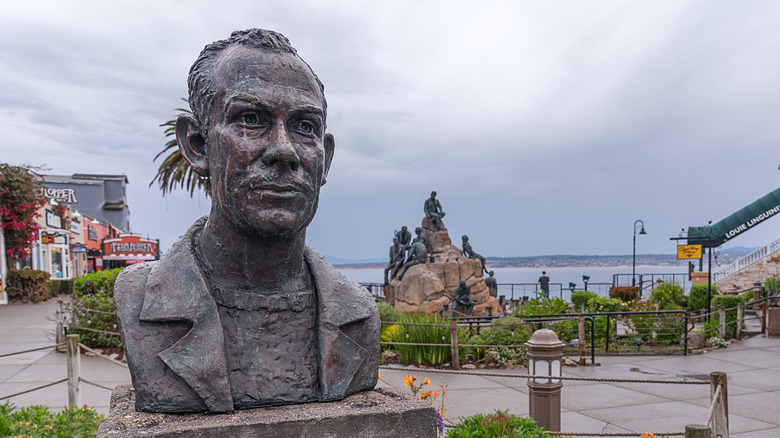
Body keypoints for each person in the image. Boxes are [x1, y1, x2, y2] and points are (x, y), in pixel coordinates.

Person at [114, 29, 379, 413]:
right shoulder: (139, 299)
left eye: (305, 126)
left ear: (326, 159)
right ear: (197, 145)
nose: (284, 151)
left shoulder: (358, 312)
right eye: (251, 119)